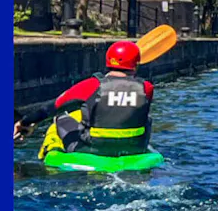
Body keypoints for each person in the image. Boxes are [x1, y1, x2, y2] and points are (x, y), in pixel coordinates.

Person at [13, 40, 155, 158]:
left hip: (92, 149)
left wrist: (25, 122)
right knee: (147, 118)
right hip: (134, 149)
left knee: (60, 117)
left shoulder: (91, 85)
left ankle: (48, 151)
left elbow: (51, 108)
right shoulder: (147, 88)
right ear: (136, 64)